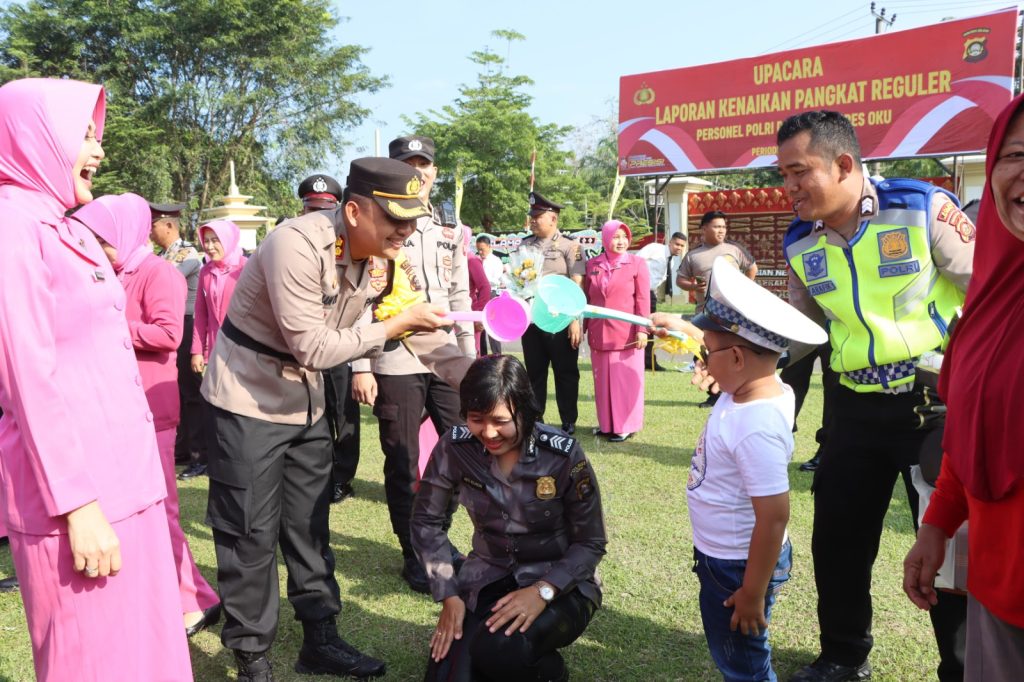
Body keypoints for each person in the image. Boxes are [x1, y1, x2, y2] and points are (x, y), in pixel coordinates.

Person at [201, 156, 471, 681]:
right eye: (395, 219)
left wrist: (474, 378)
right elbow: (314, 347)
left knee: (309, 525)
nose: (406, 230)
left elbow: (416, 326)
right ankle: (252, 656)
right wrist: (393, 328)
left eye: (412, 219)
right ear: (353, 211)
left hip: (306, 405)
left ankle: (320, 638)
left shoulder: (381, 258)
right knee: (249, 532)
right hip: (247, 402)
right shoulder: (295, 244)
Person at [0, 77, 191, 681]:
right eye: (84, 135)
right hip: (76, 501)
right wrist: (79, 507)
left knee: (149, 655)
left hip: (128, 487)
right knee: (95, 664)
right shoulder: (11, 229)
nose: (99, 149)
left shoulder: (63, 225)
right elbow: (28, 379)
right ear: (35, 138)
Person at [778, 110, 971, 682]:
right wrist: (730, 355)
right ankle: (842, 655)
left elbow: (991, 291)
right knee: (837, 541)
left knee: (950, 555)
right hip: (853, 411)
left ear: (843, 164)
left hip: (933, 408)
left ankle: (961, 669)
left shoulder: (922, 208)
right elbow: (799, 334)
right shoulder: (799, 241)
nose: (788, 188)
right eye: (782, 175)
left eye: (798, 173)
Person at [655, 256, 827, 681]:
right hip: (726, 555)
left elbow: (773, 517)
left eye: (707, 354)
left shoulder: (756, 427)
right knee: (736, 651)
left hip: (738, 566)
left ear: (735, 360)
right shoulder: (759, 386)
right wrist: (691, 335)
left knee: (743, 662)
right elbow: (723, 350)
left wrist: (751, 592)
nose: (701, 359)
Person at [903, 93, 1024, 682]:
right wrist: (936, 525)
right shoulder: (988, 300)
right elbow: (969, 430)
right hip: (998, 592)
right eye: (1017, 154)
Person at [73, 192, 222, 637]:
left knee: (162, 512)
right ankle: (173, 596)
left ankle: (196, 601)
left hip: (150, 410)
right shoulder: (112, 273)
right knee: (137, 512)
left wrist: (107, 318)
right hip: (116, 407)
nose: (97, 248)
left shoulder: (157, 272)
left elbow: (168, 333)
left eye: (103, 239)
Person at [411, 355, 606, 682]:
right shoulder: (455, 448)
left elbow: (590, 542)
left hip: (563, 585)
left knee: (500, 651)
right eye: (476, 418)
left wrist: (543, 591)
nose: (488, 432)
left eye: (500, 420)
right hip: (486, 579)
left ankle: (552, 673)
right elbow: (426, 523)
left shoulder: (562, 455)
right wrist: (449, 594)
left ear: (525, 410)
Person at [351, 135, 475, 594]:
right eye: (409, 165)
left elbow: (460, 295)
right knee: (402, 461)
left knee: (467, 449)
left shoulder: (450, 230)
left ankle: (436, 538)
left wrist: (469, 357)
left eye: (425, 164)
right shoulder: (377, 222)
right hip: (394, 356)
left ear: (435, 172)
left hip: (445, 357)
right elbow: (363, 296)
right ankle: (415, 554)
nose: (419, 172)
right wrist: (362, 364)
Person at [297, 174, 363, 503]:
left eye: (323, 210)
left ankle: (343, 476)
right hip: (304, 344)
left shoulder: (348, 243)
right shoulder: (294, 244)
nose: (317, 217)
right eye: (311, 210)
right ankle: (319, 473)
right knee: (314, 413)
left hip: (340, 342)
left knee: (342, 412)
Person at [518, 191, 586, 434]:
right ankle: (536, 419)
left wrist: (574, 320)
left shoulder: (571, 246)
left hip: (561, 320)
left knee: (565, 372)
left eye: (537, 216)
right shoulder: (525, 245)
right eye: (532, 216)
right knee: (534, 373)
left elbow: (577, 284)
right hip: (533, 321)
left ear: (553, 219)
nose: (533, 221)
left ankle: (568, 420)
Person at [150, 200, 208, 478]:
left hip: (188, 324)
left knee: (191, 393)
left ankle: (201, 455)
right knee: (177, 390)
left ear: (169, 225)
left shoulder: (188, 254)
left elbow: (163, 281)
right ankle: (184, 448)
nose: (150, 232)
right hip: (173, 325)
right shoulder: (163, 254)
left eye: (153, 226)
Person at [677, 212, 756, 408]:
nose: (721, 230)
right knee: (708, 354)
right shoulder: (693, 255)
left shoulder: (734, 249)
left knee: (734, 353)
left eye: (723, 226)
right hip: (706, 315)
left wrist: (744, 288)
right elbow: (680, 280)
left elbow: (752, 268)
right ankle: (714, 396)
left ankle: (736, 393)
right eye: (716, 226)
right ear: (704, 229)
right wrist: (694, 287)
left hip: (733, 313)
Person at [583, 220, 650, 442]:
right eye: (615, 236)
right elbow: (587, 298)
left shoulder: (637, 263)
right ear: (605, 238)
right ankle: (606, 424)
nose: (620, 241)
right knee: (602, 381)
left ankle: (625, 425)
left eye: (624, 236)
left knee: (624, 382)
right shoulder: (593, 264)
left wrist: (642, 329)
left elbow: (642, 299)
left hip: (627, 334)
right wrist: (582, 327)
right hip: (599, 332)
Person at [476, 235, 506, 354]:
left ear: (489, 246)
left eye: (482, 249)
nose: (480, 252)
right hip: (478, 296)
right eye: (478, 249)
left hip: (491, 294)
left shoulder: (495, 261)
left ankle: (497, 355)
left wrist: (483, 281)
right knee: (479, 327)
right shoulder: (476, 259)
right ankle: (482, 356)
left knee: (492, 327)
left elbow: (497, 279)